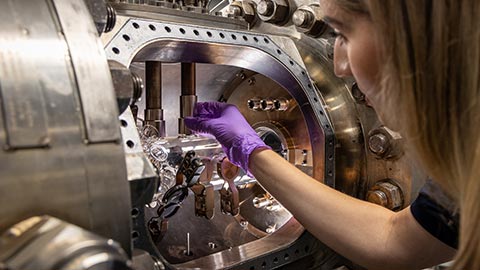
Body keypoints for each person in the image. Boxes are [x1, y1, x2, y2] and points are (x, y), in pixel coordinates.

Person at [185, 0, 480, 269]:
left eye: (344, 34)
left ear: (414, 33)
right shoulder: (467, 165)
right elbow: (398, 241)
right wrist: (251, 152)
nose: (339, 65)